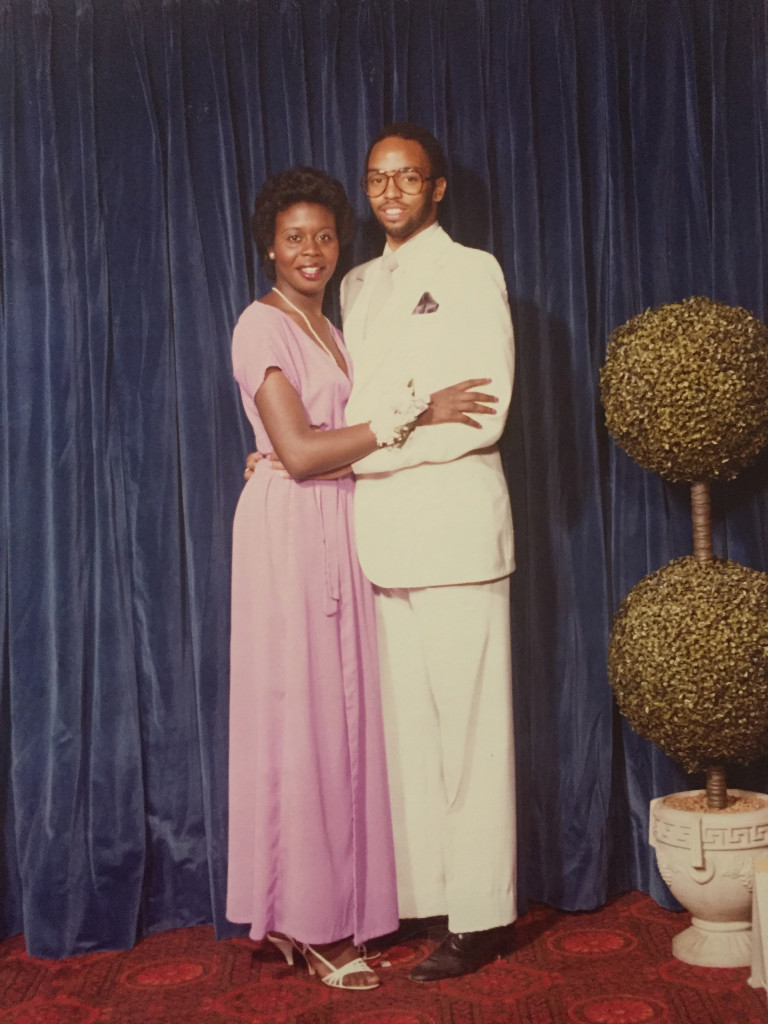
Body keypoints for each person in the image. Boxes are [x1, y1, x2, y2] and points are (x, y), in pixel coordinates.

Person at [227, 166, 497, 992]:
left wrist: (304, 448)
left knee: (340, 726)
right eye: (293, 237)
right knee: (298, 723)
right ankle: (305, 926)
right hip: (290, 535)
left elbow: (315, 440)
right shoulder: (260, 325)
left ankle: (333, 912)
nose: (311, 250)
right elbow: (305, 453)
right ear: (267, 247)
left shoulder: (331, 323)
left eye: (323, 236)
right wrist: (411, 414)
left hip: (341, 527)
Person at [339, 123, 517, 982]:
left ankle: (481, 917)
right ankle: (422, 901)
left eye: (409, 178)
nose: (391, 192)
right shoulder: (356, 283)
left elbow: (483, 415)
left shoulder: (472, 269)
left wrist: (379, 445)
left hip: (455, 536)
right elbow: (356, 413)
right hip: (380, 540)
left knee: (471, 738)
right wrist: (407, 419)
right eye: (378, 179)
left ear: (437, 188)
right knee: (408, 740)